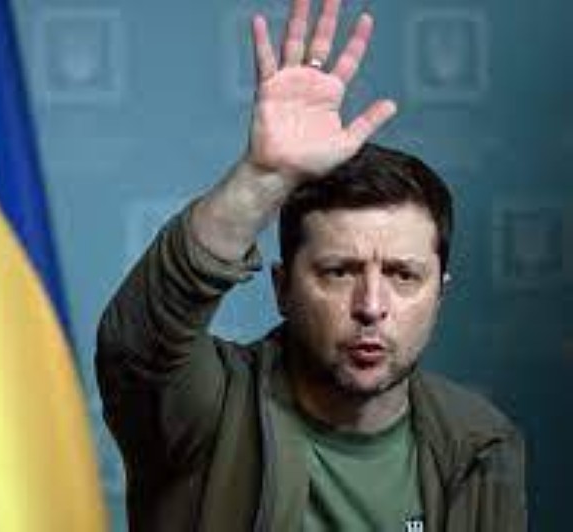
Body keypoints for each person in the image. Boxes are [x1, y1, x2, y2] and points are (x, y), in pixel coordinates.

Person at [95, 0, 527, 530]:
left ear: (440, 293)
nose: (371, 306)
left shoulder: (481, 444)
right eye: (339, 272)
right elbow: (137, 347)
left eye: (403, 275)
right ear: (283, 288)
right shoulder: (211, 408)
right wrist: (261, 180)